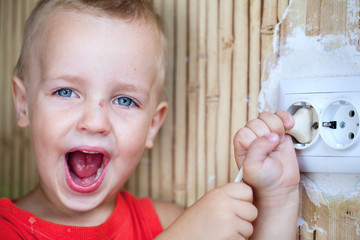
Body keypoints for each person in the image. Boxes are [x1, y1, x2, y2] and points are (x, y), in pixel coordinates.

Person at [0, 0, 300, 239]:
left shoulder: (169, 222)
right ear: (24, 105)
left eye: (125, 100)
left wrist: (277, 201)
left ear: (152, 126)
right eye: (66, 91)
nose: (94, 121)